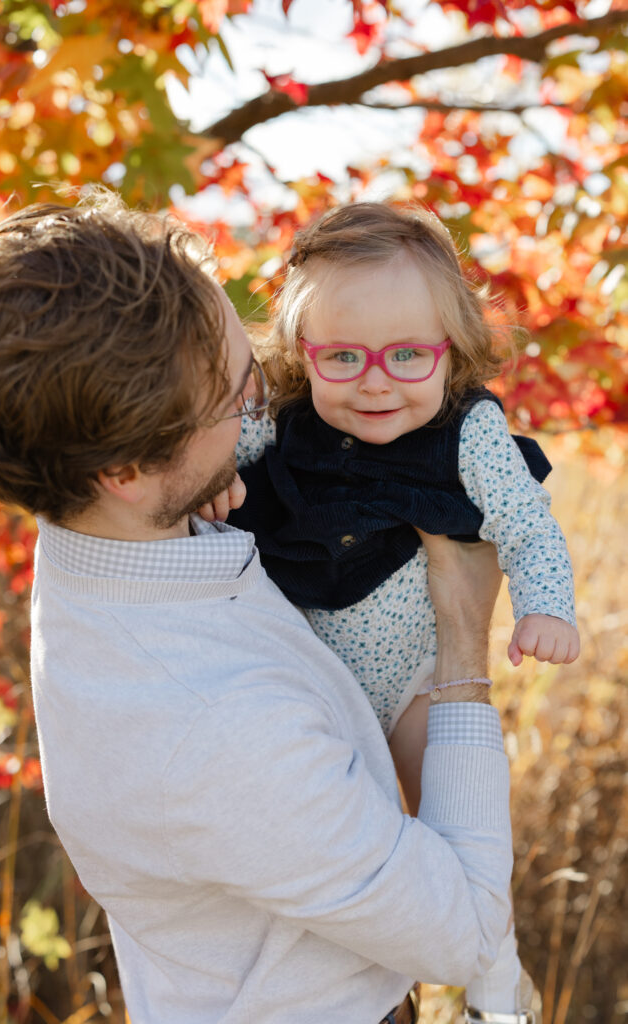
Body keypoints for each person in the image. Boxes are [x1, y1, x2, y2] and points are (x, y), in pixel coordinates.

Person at [0, 191, 515, 1024]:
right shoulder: (217, 732)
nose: (263, 402)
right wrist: (463, 642)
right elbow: (467, 932)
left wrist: (203, 488)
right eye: (238, 397)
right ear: (128, 467)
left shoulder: (92, 507)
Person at [221, 202, 579, 1021]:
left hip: (420, 681)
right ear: (300, 354)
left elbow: (527, 529)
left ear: (450, 352)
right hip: (312, 689)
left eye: (406, 354)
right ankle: (371, 987)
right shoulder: (280, 424)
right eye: (341, 356)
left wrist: (545, 608)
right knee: (356, 857)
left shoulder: (470, 432)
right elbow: (222, 469)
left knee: (458, 823)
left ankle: (494, 969)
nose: (375, 380)